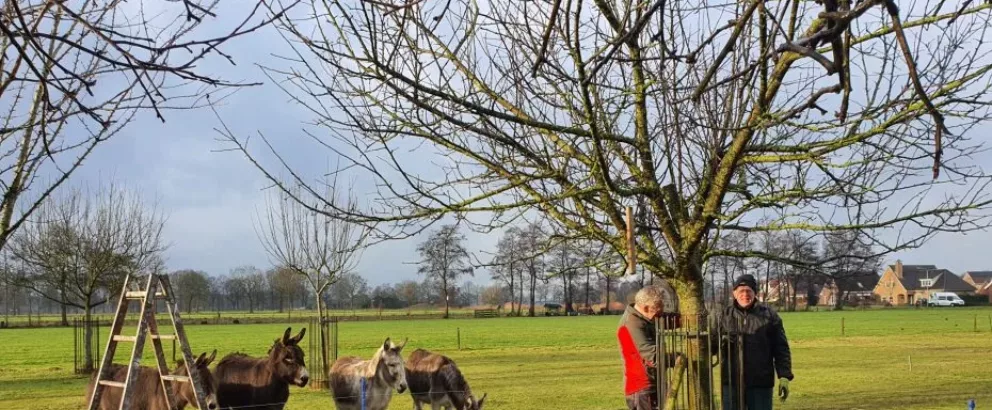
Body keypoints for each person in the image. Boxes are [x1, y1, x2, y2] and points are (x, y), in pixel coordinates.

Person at [715, 274, 794, 410]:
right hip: (731, 381)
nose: (745, 294)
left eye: (749, 291)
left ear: (755, 293)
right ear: (734, 293)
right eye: (741, 291)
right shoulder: (723, 316)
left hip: (760, 382)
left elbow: (781, 348)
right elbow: (710, 344)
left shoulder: (769, 316)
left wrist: (784, 376)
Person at [617, 285, 666, 410]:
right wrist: (681, 356)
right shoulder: (632, 324)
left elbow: (666, 318)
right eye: (657, 312)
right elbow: (652, 355)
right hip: (641, 388)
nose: (660, 316)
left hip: (649, 383)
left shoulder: (644, 318)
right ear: (645, 307)